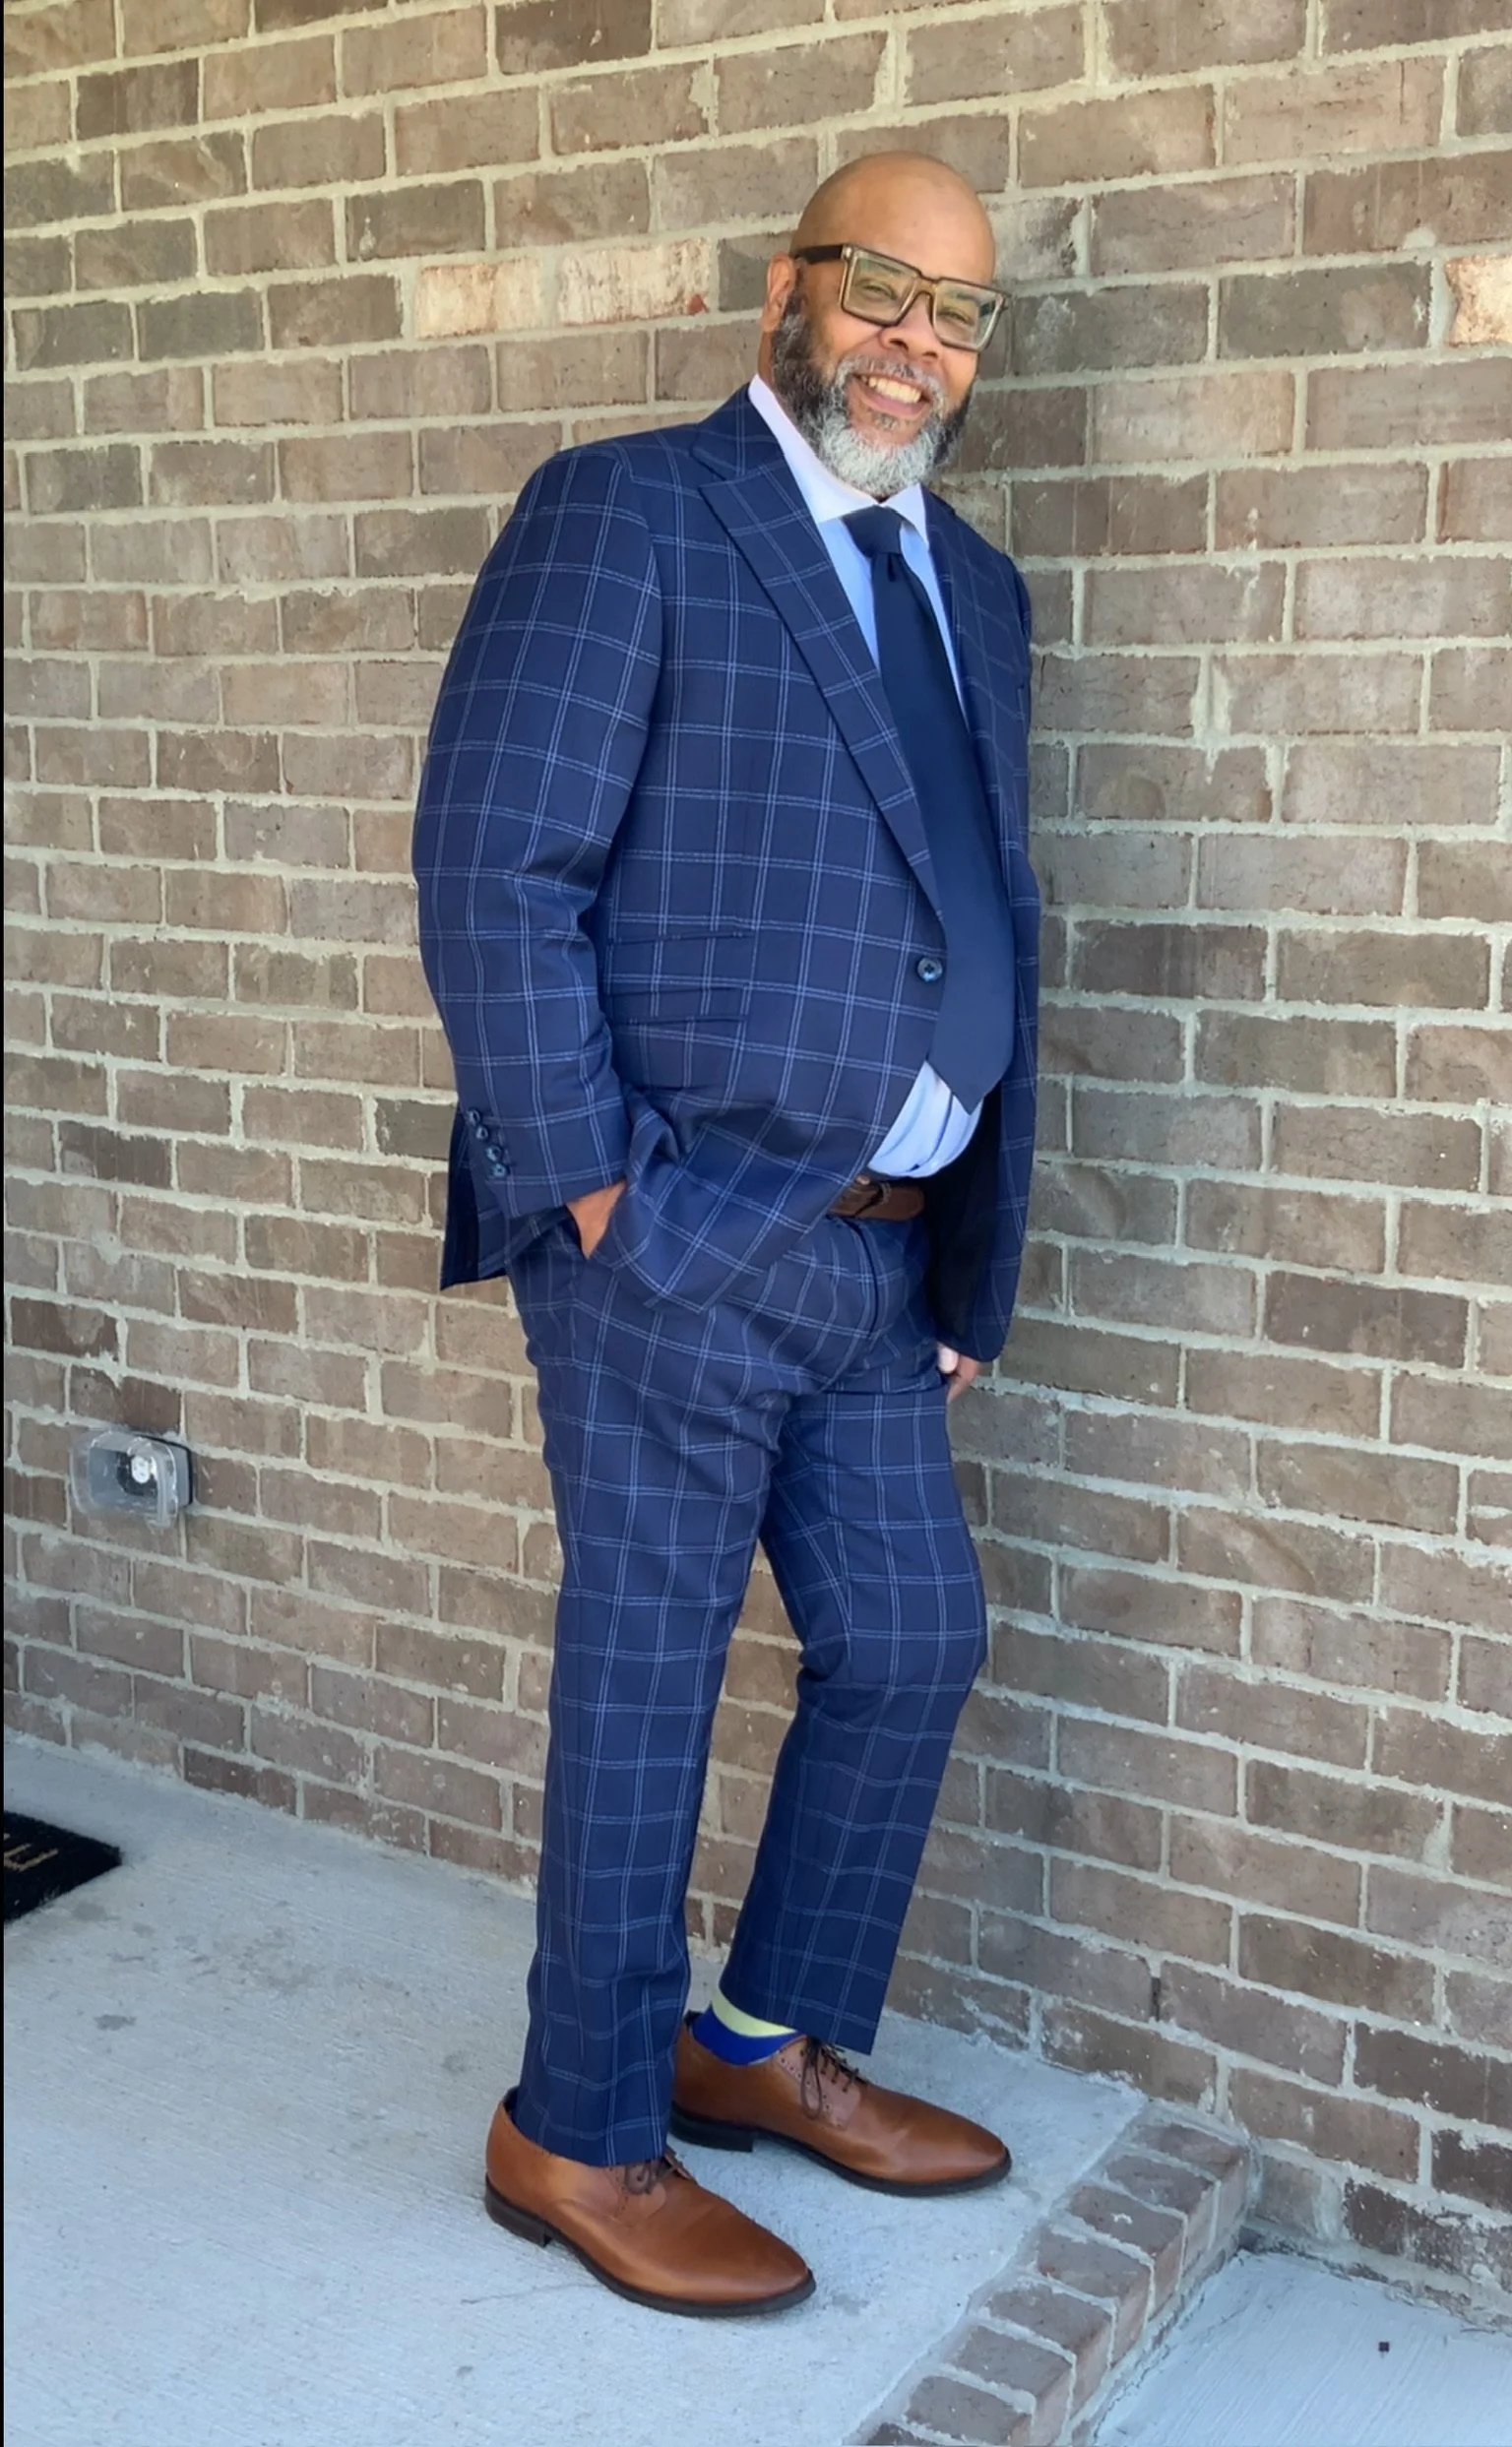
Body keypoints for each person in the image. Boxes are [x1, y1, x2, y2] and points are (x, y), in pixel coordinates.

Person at [412, 151, 1040, 2319]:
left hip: (880, 1254)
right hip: (678, 1225)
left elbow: (977, 900)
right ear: (792, 287)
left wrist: (970, 1238)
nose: (916, 344)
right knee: (650, 1680)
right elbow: (497, 867)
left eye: (958, 315)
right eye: (883, 289)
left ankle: (752, 2044)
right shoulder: (632, 513)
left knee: (912, 1638)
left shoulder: (979, 582)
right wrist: (601, 1189)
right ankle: (577, 2128)